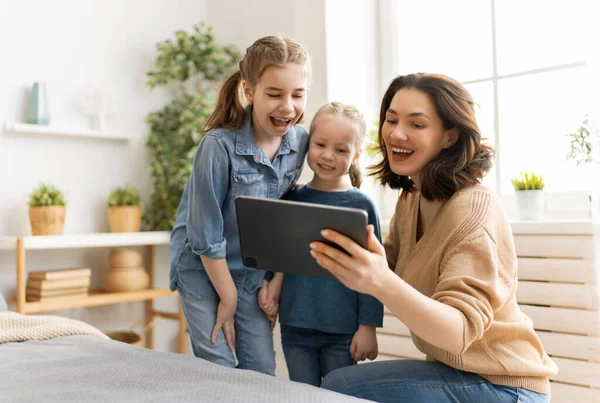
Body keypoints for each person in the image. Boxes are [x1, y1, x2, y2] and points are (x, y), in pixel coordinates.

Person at [311, 73, 558, 402]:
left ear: (449, 136)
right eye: (391, 119)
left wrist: (379, 280)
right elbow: (389, 263)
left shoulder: (473, 210)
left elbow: (457, 333)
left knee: (341, 388)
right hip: (454, 371)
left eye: (416, 124)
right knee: (340, 380)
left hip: (504, 385)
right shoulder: (413, 197)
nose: (397, 133)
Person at [168, 36, 311, 375]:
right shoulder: (217, 146)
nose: (288, 107)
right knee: (219, 369)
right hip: (203, 269)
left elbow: (289, 210)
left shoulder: (301, 142)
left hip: (250, 274)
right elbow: (203, 234)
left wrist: (275, 278)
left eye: (298, 94)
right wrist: (227, 299)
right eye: (274, 94)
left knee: (261, 371)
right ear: (249, 91)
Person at [261, 102, 384, 386]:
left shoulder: (361, 205)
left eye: (341, 150)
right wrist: (269, 286)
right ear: (307, 145)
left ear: (355, 155)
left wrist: (368, 327)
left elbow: (376, 274)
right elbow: (278, 255)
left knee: (337, 396)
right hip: (294, 326)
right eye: (320, 145)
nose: (328, 156)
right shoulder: (290, 198)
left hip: (342, 330)